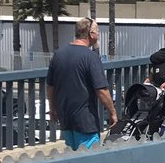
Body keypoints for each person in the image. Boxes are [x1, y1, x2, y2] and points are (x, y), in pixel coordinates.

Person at [46, 18, 118, 150]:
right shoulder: (91, 57)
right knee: (89, 158)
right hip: (86, 121)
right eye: (97, 31)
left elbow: (51, 86)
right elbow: (101, 90)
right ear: (91, 34)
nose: (98, 34)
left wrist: (53, 108)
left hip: (66, 119)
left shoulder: (58, 55)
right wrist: (112, 112)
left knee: (73, 156)